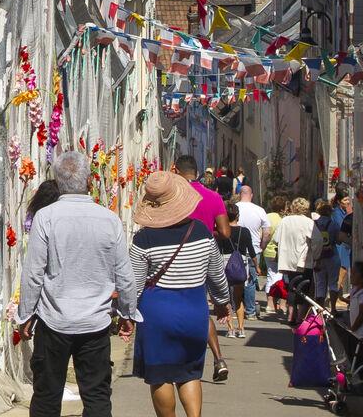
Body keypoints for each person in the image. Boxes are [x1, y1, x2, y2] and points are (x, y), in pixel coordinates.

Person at [17, 151, 142, 417]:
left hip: (54, 321)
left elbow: (33, 273)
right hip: (95, 323)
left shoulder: (46, 217)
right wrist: (127, 313)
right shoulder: (109, 220)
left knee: (47, 396)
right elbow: (125, 274)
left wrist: (26, 314)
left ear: (58, 181)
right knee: (97, 396)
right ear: (89, 181)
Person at [130, 171, 232, 417]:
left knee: (160, 374)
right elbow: (217, 273)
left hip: (157, 313)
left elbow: (133, 284)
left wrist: (126, 314)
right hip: (194, 310)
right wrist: (221, 303)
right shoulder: (201, 232)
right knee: (190, 372)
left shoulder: (143, 239)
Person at [171, 155, 227, 376]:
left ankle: (178, 357)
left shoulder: (172, 196)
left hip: (173, 257)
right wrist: (203, 233)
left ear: (175, 171)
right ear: (198, 172)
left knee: (172, 307)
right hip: (203, 257)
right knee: (201, 310)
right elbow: (225, 232)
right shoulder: (213, 197)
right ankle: (219, 358)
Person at [274, 196, 316, 323]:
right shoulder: (308, 222)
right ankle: (300, 317)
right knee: (304, 289)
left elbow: (276, 239)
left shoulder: (285, 220)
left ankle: (291, 315)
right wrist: (315, 254)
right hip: (303, 261)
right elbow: (318, 240)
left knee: (292, 288)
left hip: (287, 261)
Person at [216, 204, 255, 339]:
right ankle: (242, 328)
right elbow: (251, 250)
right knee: (238, 298)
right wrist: (257, 266)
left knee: (226, 298)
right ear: (238, 215)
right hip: (241, 264)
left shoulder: (221, 231)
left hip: (224, 264)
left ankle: (231, 329)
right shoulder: (244, 231)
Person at [333, 193, 356, 299]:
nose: (348, 202)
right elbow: (341, 230)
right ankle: (336, 296)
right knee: (342, 271)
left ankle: (339, 295)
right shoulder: (338, 213)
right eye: (345, 200)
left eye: (348, 199)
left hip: (346, 248)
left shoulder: (344, 213)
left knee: (344, 270)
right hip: (341, 247)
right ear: (339, 201)